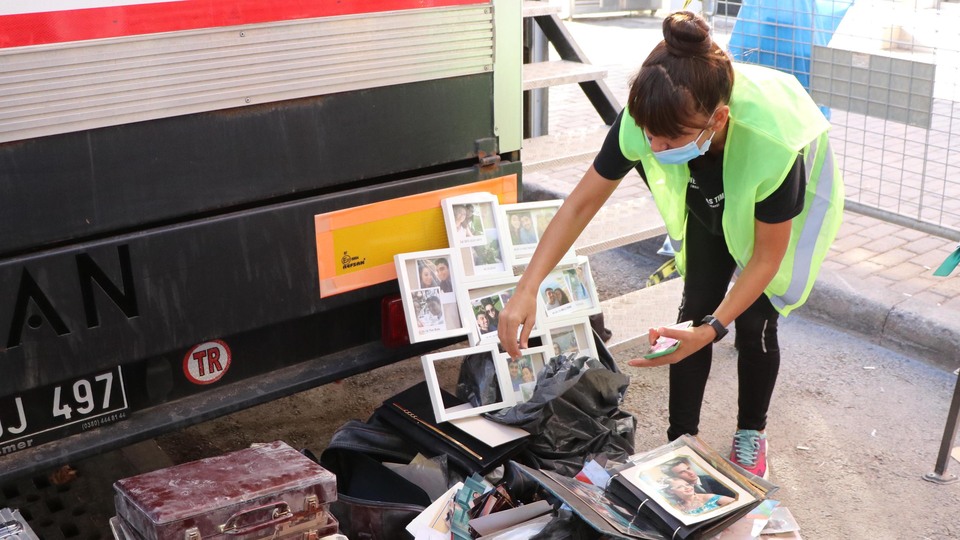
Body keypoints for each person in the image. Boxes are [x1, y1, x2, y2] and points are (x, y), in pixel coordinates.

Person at [497, 11, 844, 479]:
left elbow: (765, 257)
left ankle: (751, 433)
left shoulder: (772, 142)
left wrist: (715, 330)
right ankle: (681, 440)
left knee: (757, 316)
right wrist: (527, 286)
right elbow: (579, 205)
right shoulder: (649, 118)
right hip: (711, 190)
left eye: (669, 140)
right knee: (693, 307)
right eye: (648, 136)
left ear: (717, 119)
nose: (655, 150)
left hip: (776, 200)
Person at [661, 457, 735, 498]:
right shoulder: (680, 492)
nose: (690, 473)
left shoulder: (713, 480)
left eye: (688, 468)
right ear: (675, 477)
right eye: (682, 472)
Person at [661, 477, 733, 515]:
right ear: (671, 491)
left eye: (687, 484)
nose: (687, 488)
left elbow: (738, 505)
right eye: (680, 487)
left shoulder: (708, 497)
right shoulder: (677, 508)